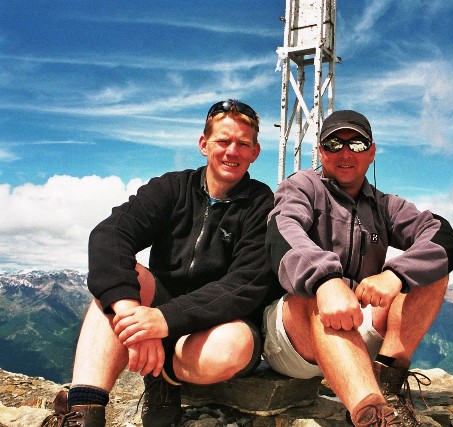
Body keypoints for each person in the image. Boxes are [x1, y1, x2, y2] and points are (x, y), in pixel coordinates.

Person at [42, 99, 281, 427]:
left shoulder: (262, 205)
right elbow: (110, 236)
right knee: (118, 283)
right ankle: (83, 411)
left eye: (243, 144)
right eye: (223, 141)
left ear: (255, 152)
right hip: (160, 305)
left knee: (232, 346)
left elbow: (245, 285)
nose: (232, 151)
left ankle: (163, 378)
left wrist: (163, 320)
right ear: (203, 144)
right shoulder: (171, 188)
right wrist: (133, 317)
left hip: (221, 323)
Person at [263, 110, 453, 427]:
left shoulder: (384, 205)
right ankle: (372, 414)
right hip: (294, 339)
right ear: (319, 151)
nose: (344, 153)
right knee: (320, 298)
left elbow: (442, 235)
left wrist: (396, 274)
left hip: (355, 327)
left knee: (434, 270)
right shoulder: (300, 188)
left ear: (371, 152)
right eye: (333, 143)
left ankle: (387, 379)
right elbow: (282, 232)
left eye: (356, 144)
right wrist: (326, 282)